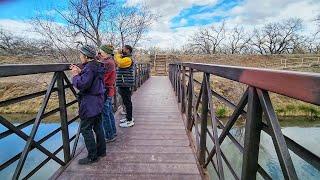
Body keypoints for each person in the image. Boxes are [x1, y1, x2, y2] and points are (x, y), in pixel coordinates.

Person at [70, 45, 106, 165]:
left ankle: (92, 156)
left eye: (81, 55)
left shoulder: (90, 68)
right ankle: (101, 151)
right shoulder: (97, 65)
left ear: (86, 56)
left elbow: (83, 84)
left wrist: (75, 75)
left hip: (90, 103)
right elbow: (91, 78)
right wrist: (81, 71)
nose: (80, 57)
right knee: (98, 126)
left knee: (86, 129)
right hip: (98, 101)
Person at [98, 44, 117, 142]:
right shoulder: (111, 61)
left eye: (101, 51)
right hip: (109, 90)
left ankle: (109, 136)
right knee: (109, 112)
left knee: (105, 114)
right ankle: (113, 132)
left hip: (105, 90)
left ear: (105, 52)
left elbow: (101, 76)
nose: (99, 52)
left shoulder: (107, 62)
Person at [115, 45, 135, 128]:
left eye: (123, 49)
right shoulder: (125, 58)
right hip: (123, 83)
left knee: (127, 101)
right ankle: (128, 118)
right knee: (126, 101)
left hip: (126, 83)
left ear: (127, 50)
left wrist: (117, 54)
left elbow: (119, 63)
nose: (122, 50)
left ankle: (129, 120)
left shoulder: (128, 59)